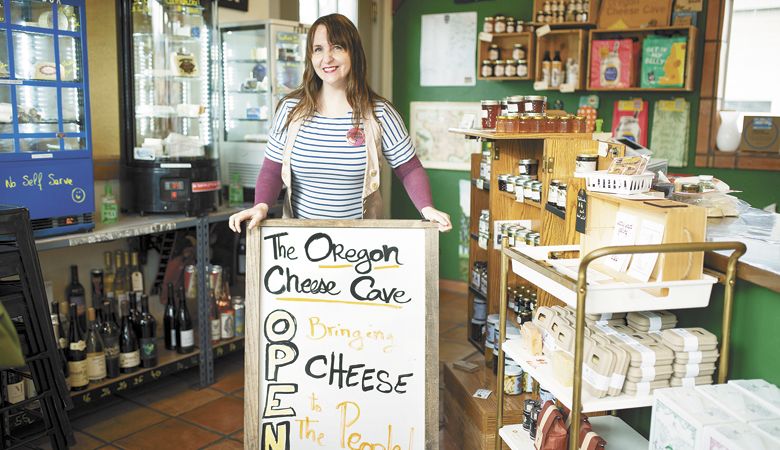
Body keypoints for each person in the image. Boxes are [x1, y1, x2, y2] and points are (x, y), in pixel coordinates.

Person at [228, 13, 451, 233]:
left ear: (353, 52)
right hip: (299, 243)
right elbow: (272, 169)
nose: (327, 58)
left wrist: (426, 207)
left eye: (337, 47)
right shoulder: (290, 110)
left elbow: (409, 168)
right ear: (311, 57)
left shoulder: (380, 114)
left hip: (358, 247)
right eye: (318, 49)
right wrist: (261, 205)